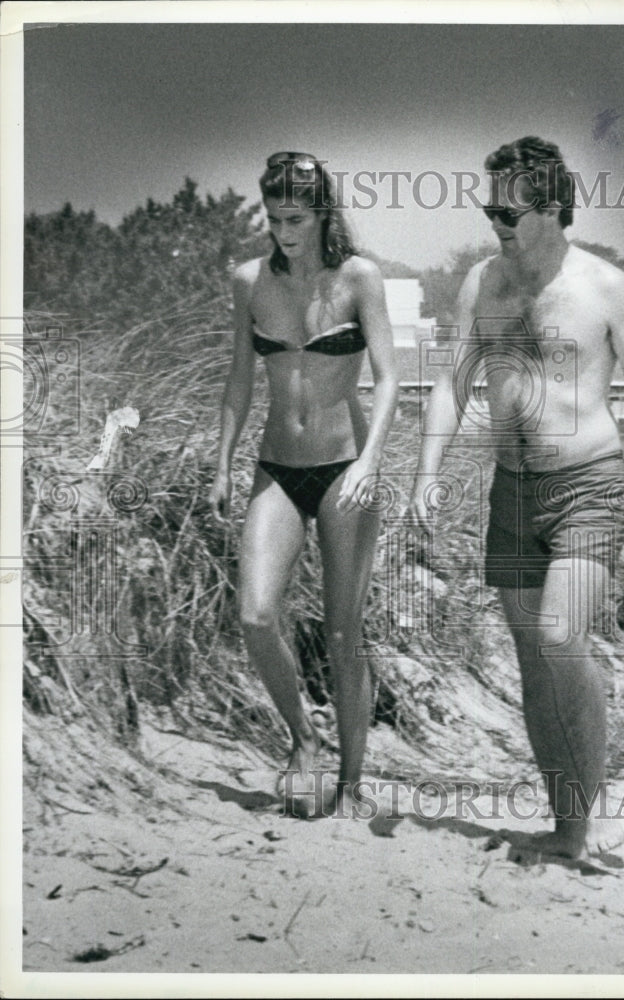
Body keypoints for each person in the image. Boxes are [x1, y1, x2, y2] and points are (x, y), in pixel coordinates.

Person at [409, 135, 624, 859]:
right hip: (512, 488)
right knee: (531, 657)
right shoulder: (483, 283)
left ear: (551, 209)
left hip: (589, 485)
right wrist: (427, 471)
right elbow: (452, 382)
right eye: (488, 207)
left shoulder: (605, 286)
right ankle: (567, 829)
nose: (493, 221)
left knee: (562, 638)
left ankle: (590, 810)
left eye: (506, 209)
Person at [210, 152, 398, 814]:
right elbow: (239, 375)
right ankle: (302, 740)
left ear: (321, 213)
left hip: (347, 465)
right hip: (276, 465)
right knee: (257, 614)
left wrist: (371, 462)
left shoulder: (358, 277)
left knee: (343, 632)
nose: (283, 231)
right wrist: (223, 460)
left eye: (294, 218)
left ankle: (350, 784)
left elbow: (390, 379)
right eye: (273, 217)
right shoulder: (249, 281)